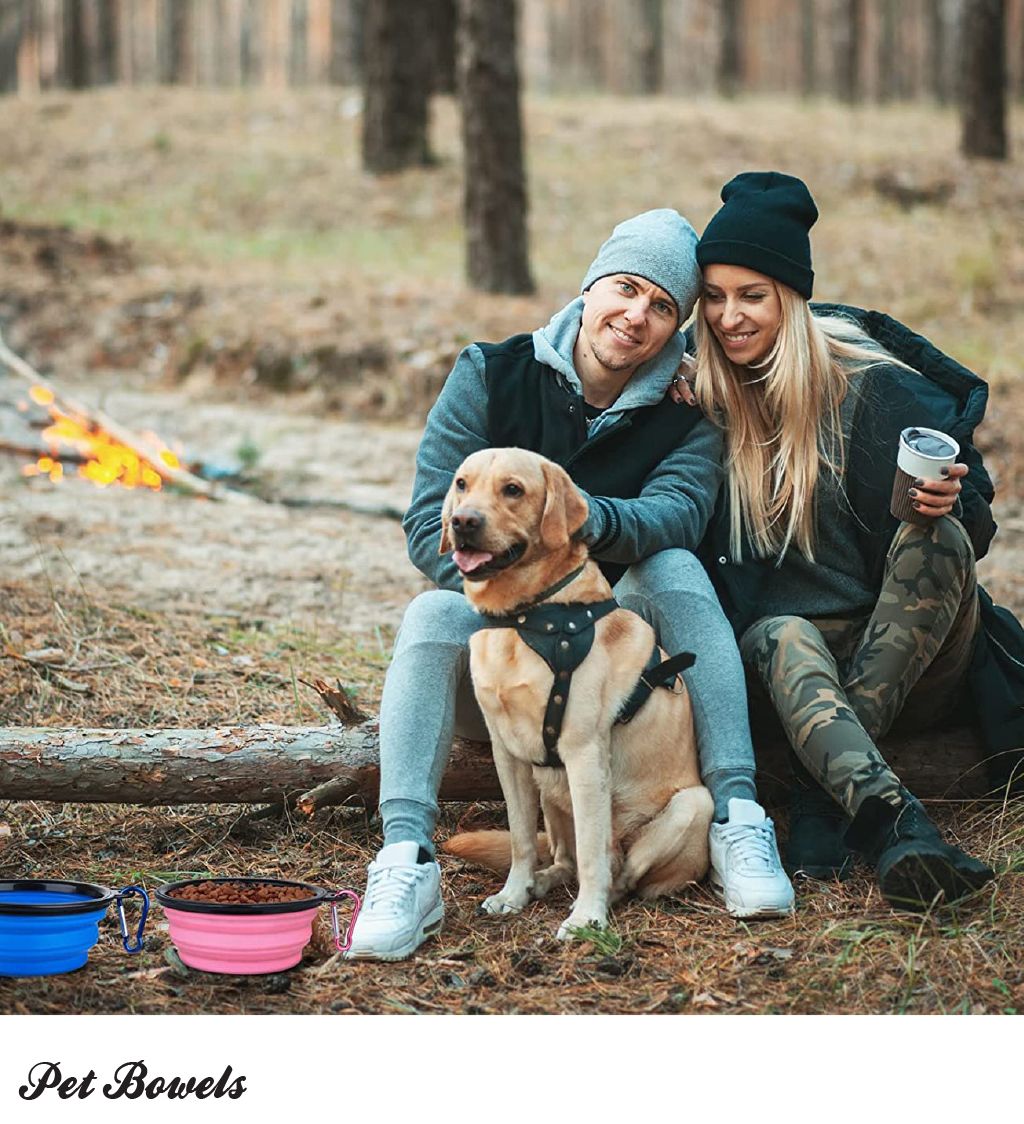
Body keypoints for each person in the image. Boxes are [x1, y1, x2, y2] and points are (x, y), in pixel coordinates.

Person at [345, 209, 795, 961]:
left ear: (679, 329)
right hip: (506, 676)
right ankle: (405, 859)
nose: (635, 316)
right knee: (430, 612)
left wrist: (560, 513)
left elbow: (676, 516)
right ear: (590, 286)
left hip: (620, 687)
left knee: (676, 567)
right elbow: (432, 527)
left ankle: (737, 819)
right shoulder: (491, 371)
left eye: (662, 307)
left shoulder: (689, 414)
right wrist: (524, 568)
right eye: (625, 288)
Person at [688, 170, 1021, 911]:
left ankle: (821, 800)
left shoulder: (867, 387)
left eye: (752, 295)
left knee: (937, 543)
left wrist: (951, 502)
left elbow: (978, 534)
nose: (729, 316)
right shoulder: (697, 404)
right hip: (783, 674)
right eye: (713, 296)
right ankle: (898, 826)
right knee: (782, 632)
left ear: (791, 296)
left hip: (902, 659)